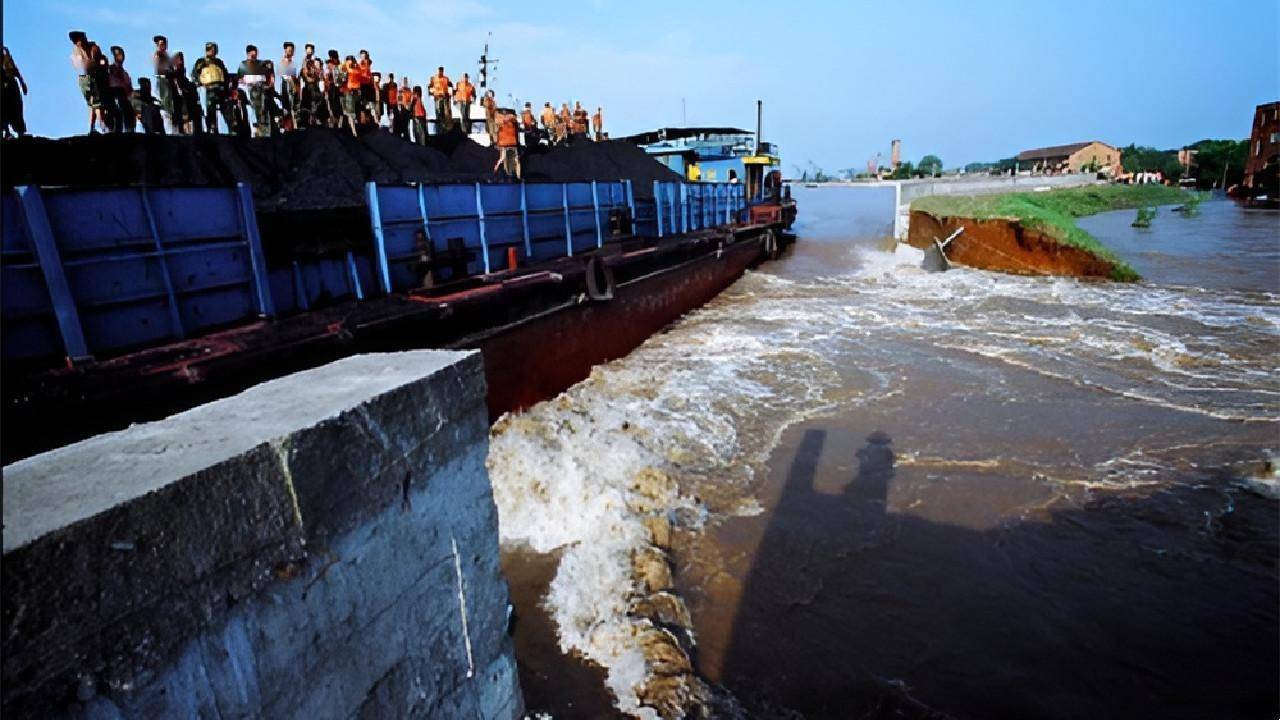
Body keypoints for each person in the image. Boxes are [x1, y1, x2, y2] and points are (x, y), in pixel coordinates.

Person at [192, 41, 233, 134]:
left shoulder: (219, 62)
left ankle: (231, 127)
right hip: (208, 88)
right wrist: (200, 84)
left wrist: (227, 86)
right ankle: (211, 128)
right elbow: (195, 75)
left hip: (220, 88)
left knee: (226, 108)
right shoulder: (201, 62)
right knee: (210, 110)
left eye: (214, 49)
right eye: (211, 49)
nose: (213, 51)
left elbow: (225, 75)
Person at [69, 32, 104, 133]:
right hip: (85, 79)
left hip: (95, 77)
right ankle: (96, 127)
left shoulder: (94, 48)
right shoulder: (76, 52)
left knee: (96, 104)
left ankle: (98, 126)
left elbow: (100, 62)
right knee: (93, 104)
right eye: (76, 41)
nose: (78, 43)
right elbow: (79, 66)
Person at [237, 44, 271, 137]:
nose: (254, 55)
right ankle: (255, 130)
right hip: (250, 88)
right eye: (252, 53)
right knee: (253, 110)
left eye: (256, 53)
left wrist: (268, 84)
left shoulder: (261, 64)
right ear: (248, 53)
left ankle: (264, 131)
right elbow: (239, 79)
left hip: (262, 88)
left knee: (263, 109)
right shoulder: (243, 65)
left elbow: (269, 76)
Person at [106, 46, 135, 132]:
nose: (119, 56)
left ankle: (129, 130)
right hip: (114, 93)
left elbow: (129, 88)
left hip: (125, 96)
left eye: (120, 54)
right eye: (116, 54)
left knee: (128, 110)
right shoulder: (110, 69)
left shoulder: (125, 73)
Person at [2, 46, 28, 138]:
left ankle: (20, 133)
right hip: (5, 86)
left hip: (11, 85)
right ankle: (7, 132)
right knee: (4, 110)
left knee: (16, 109)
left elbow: (14, 68)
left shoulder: (5, 51)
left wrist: (22, 82)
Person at [171, 52, 200, 134]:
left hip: (188, 110)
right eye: (178, 60)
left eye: (182, 60)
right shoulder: (172, 79)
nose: (180, 62)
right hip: (178, 109)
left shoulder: (188, 83)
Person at [152, 35, 175, 133]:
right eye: (160, 44)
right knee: (165, 106)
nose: (162, 46)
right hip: (162, 81)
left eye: (164, 44)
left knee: (170, 105)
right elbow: (158, 67)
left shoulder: (167, 56)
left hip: (168, 82)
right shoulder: (158, 55)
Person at [492, 110, 521, 180]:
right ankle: (518, 176)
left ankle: (495, 171)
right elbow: (517, 131)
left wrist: (496, 142)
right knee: (516, 160)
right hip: (512, 143)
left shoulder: (499, 120)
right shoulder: (513, 120)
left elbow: (496, 132)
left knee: (502, 158)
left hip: (503, 143)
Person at [278, 42, 298, 131]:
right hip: (286, 84)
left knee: (292, 107)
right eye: (289, 50)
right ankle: (288, 127)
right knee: (287, 107)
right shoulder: (283, 61)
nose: (291, 52)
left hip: (291, 84)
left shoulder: (292, 62)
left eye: (292, 50)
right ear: (285, 50)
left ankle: (291, 127)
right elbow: (284, 75)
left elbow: (293, 75)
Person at [340, 54, 361, 135]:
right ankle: (352, 130)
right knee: (349, 112)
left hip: (351, 92)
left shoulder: (351, 70)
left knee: (351, 113)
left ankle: (353, 130)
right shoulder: (348, 69)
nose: (349, 63)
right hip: (348, 92)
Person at [428, 66, 451, 133]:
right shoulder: (434, 78)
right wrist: (430, 93)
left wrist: (449, 94)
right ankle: (439, 128)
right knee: (438, 112)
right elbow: (430, 86)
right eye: (439, 71)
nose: (440, 72)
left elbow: (450, 86)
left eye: (442, 71)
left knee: (444, 113)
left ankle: (444, 128)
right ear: (438, 71)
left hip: (444, 98)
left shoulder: (446, 78)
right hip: (437, 97)